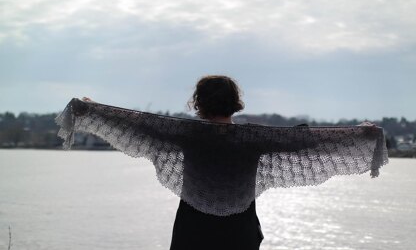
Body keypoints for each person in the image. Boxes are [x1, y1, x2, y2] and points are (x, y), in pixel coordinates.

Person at [66, 75, 386, 250]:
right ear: (235, 103)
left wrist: (93, 109)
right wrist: (360, 133)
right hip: (240, 233)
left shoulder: (187, 133)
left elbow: (138, 122)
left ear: (198, 103)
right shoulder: (252, 137)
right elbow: (305, 138)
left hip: (193, 231)